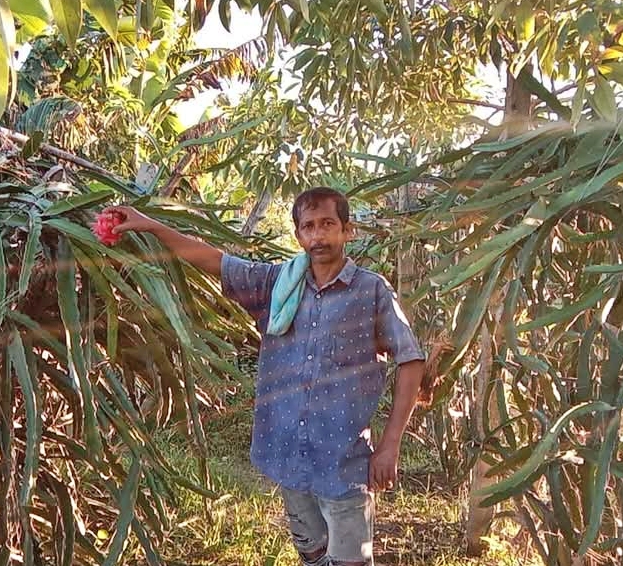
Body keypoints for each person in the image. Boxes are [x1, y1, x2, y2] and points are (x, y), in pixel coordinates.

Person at [102, 187, 426, 566]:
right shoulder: (277, 284)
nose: (318, 236)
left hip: (344, 459)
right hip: (289, 454)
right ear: (298, 235)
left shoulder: (370, 290)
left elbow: (411, 360)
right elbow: (214, 260)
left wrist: (390, 445)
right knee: (312, 554)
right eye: (309, 227)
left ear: (347, 230)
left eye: (328, 224)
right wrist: (150, 225)